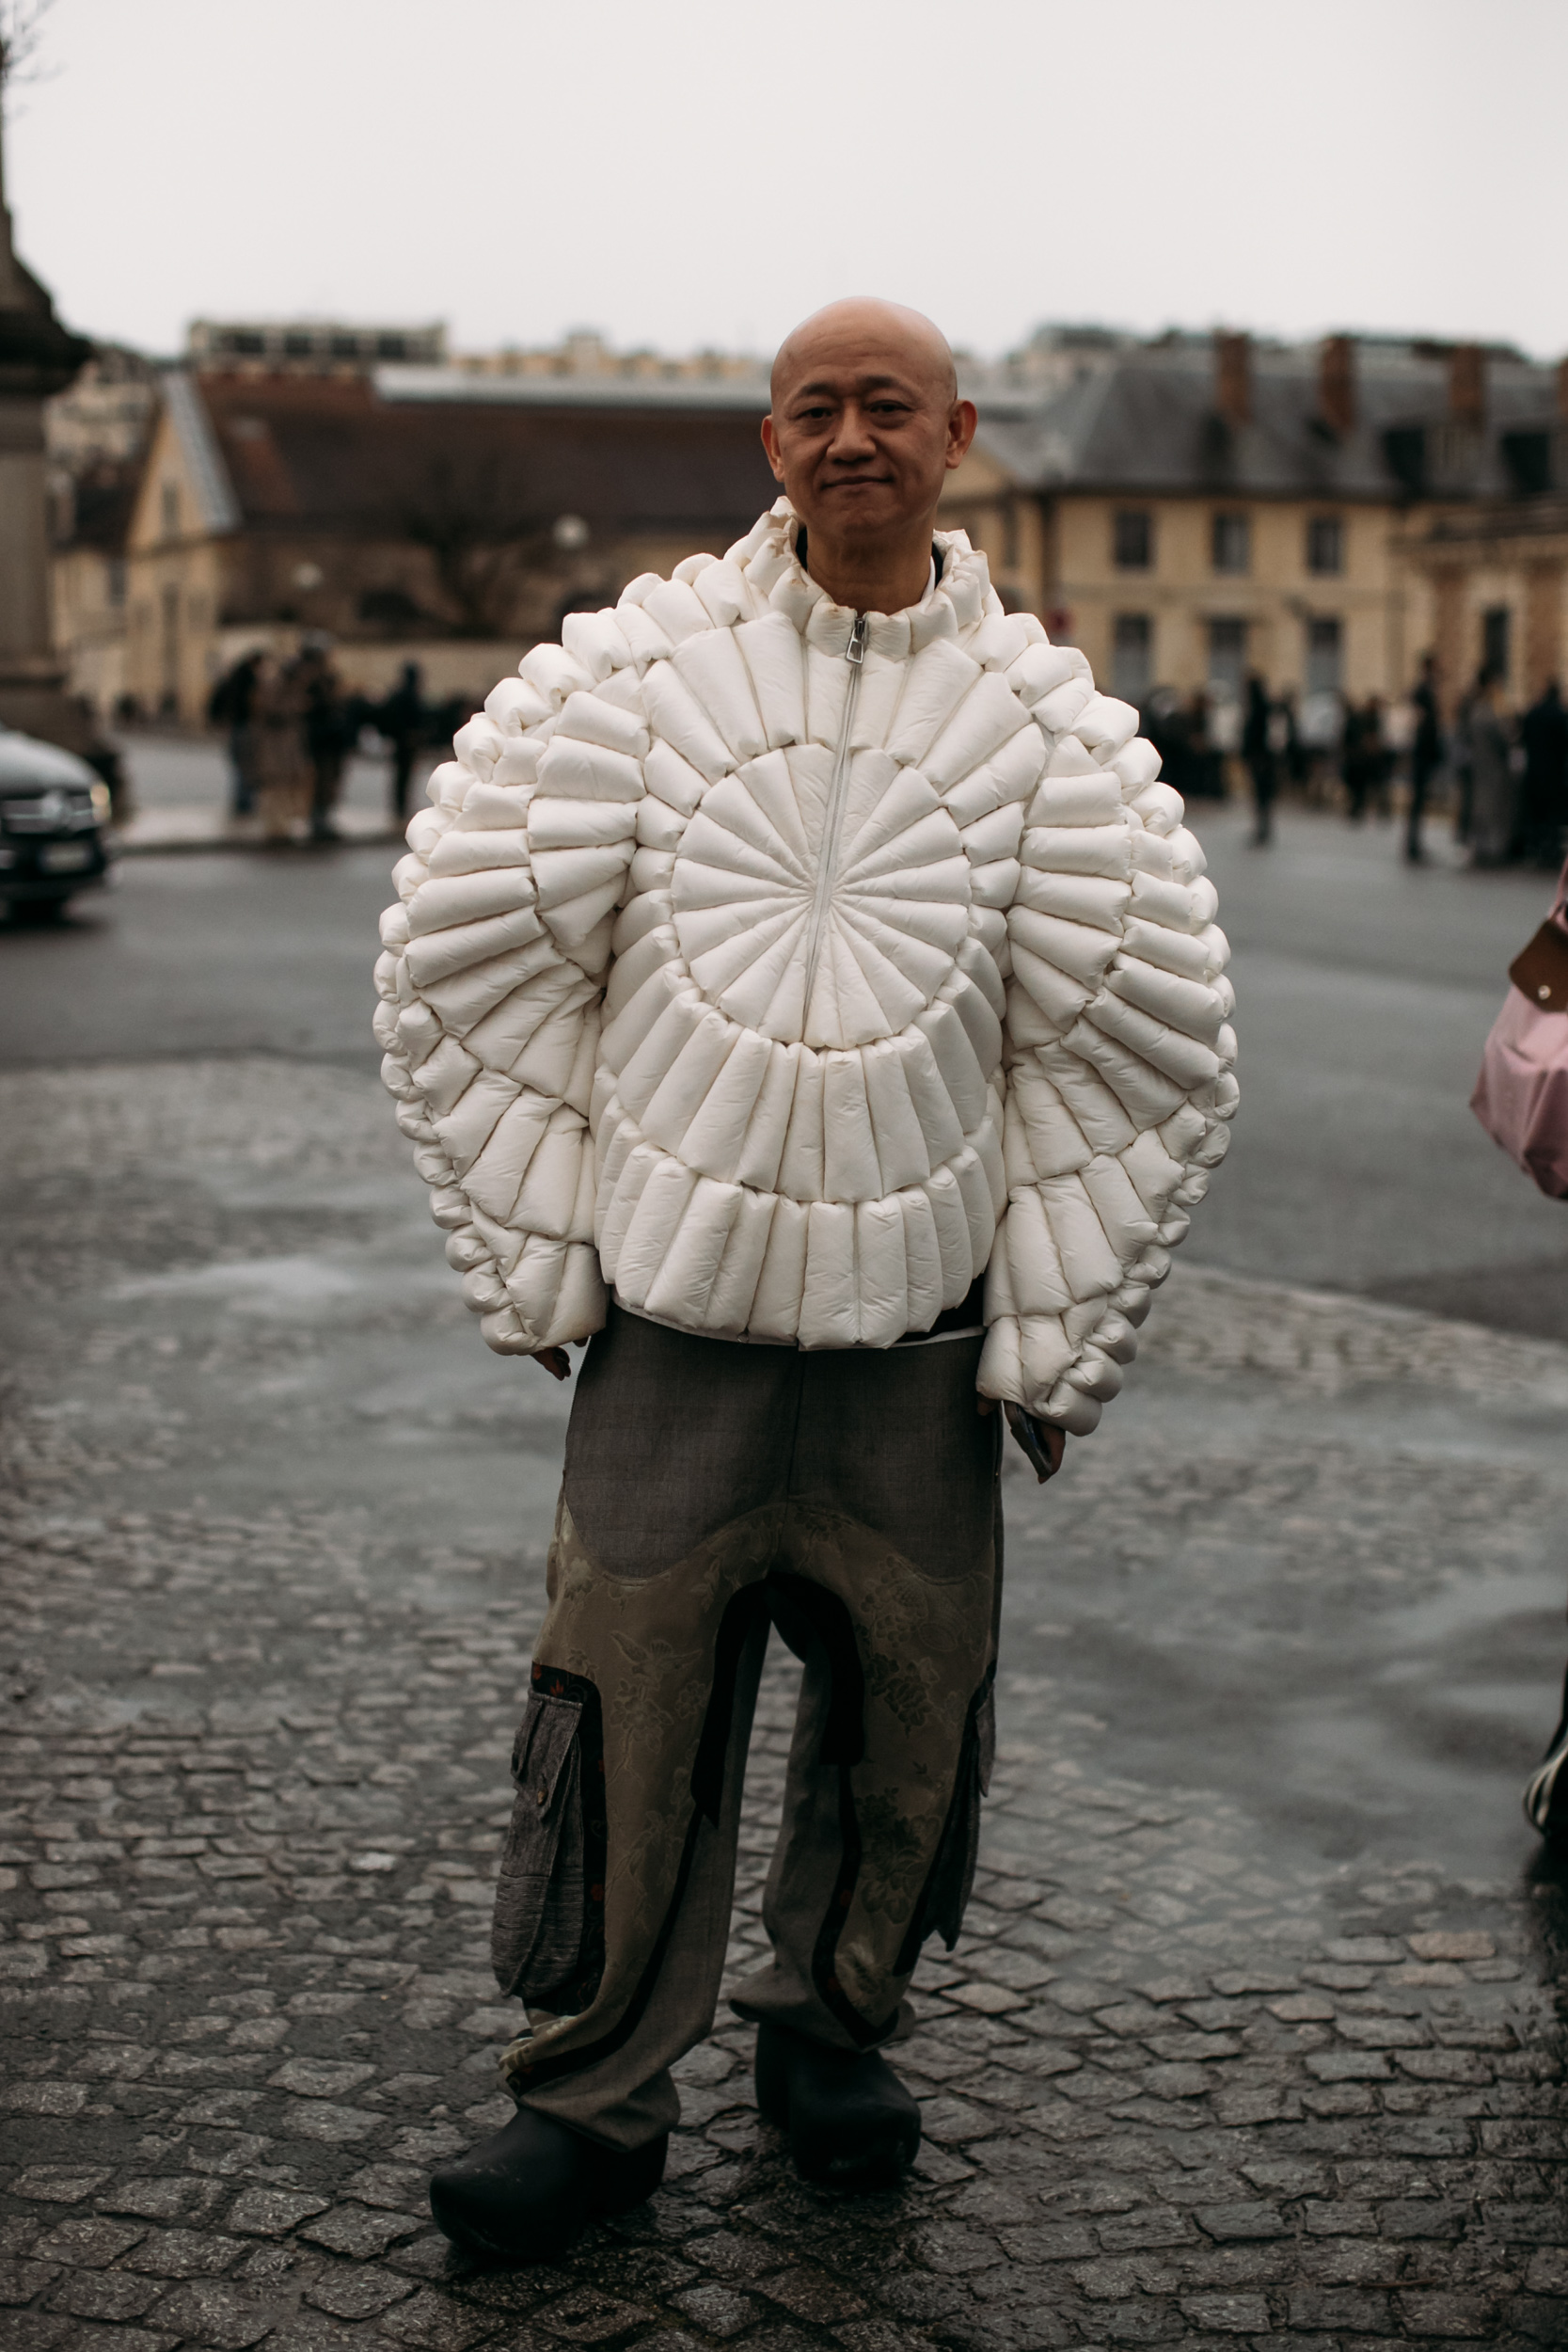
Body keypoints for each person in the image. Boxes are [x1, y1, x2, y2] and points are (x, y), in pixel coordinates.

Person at [372, 299, 1237, 2262]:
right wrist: (548, 1238)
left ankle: (829, 2023)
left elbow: (1128, 1037)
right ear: (767, 441)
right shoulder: (649, 674)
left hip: (914, 1353)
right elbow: (470, 939)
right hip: (673, 1335)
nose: (849, 439)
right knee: (622, 1710)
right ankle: (587, 2092)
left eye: (885, 408)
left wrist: (1045, 1325)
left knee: (901, 1715)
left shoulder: (1035, 726)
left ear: (951, 436)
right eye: (812, 409)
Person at [250, 654, 312, 841]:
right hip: (275, 747)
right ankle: (275, 827)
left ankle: (283, 826)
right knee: (274, 789)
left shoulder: (290, 688)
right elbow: (269, 712)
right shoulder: (275, 688)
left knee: (286, 788)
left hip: (286, 748)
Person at [299, 644, 350, 844]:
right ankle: (317, 819)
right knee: (318, 782)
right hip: (319, 740)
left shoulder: (325, 680)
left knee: (329, 781)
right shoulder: (310, 681)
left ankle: (322, 817)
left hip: (330, 741)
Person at [1465, 667, 1516, 866]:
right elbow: (1504, 739)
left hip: (1479, 767)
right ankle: (1494, 850)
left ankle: (1479, 847)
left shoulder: (1475, 711)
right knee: (1495, 810)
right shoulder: (1491, 712)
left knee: (1480, 808)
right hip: (1494, 768)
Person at [1518, 679, 1568, 869]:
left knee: (1537, 814)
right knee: (1553, 816)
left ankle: (1537, 849)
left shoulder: (1533, 714)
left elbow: (1524, 739)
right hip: (1554, 774)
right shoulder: (1559, 715)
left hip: (1534, 772)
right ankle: (1551, 852)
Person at [207, 650, 261, 819]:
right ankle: (245, 803)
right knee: (247, 766)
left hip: (235, 727)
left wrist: (218, 720)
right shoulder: (249, 680)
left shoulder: (231, 679)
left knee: (239, 766)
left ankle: (242, 802)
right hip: (245, 727)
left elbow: (215, 703)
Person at [1407, 654, 1443, 865]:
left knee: (1420, 800)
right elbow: (1422, 723)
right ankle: (1413, 844)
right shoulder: (1423, 691)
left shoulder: (1426, 690)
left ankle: (1415, 843)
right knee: (1418, 800)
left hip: (1424, 753)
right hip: (1423, 753)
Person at [380, 660, 425, 823]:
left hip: (402, 741)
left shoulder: (401, 694)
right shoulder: (408, 695)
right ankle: (400, 807)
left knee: (402, 776)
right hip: (405, 741)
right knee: (403, 776)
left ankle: (401, 807)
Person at [1242, 673, 1276, 845]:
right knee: (1262, 797)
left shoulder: (1260, 709)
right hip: (1262, 759)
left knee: (1262, 796)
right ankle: (1263, 828)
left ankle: (1263, 829)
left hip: (1261, 759)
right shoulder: (1262, 707)